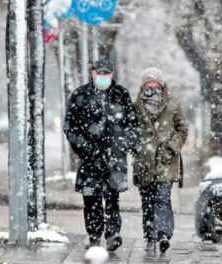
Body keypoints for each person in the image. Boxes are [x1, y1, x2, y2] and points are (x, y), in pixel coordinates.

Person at [64, 60, 140, 251]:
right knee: (91, 199)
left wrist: (123, 144)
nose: (103, 76)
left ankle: (113, 234)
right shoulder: (80, 95)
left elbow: (132, 124)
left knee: (112, 199)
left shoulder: (120, 94)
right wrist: (84, 147)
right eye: (100, 73)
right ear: (93, 73)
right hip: (90, 158)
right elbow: (70, 126)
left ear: (112, 74)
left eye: (107, 73)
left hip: (114, 159)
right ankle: (94, 236)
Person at [133, 67, 188, 254]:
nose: (151, 86)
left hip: (166, 161)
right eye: (148, 83)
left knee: (162, 198)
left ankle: (164, 234)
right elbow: (131, 132)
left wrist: (172, 147)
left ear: (161, 84)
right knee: (147, 201)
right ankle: (150, 235)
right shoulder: (137, 106)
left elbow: (183, 130)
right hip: (144, 163)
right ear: (143, 86)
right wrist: (137, 147)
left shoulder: (172, 104)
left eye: (155, 83)